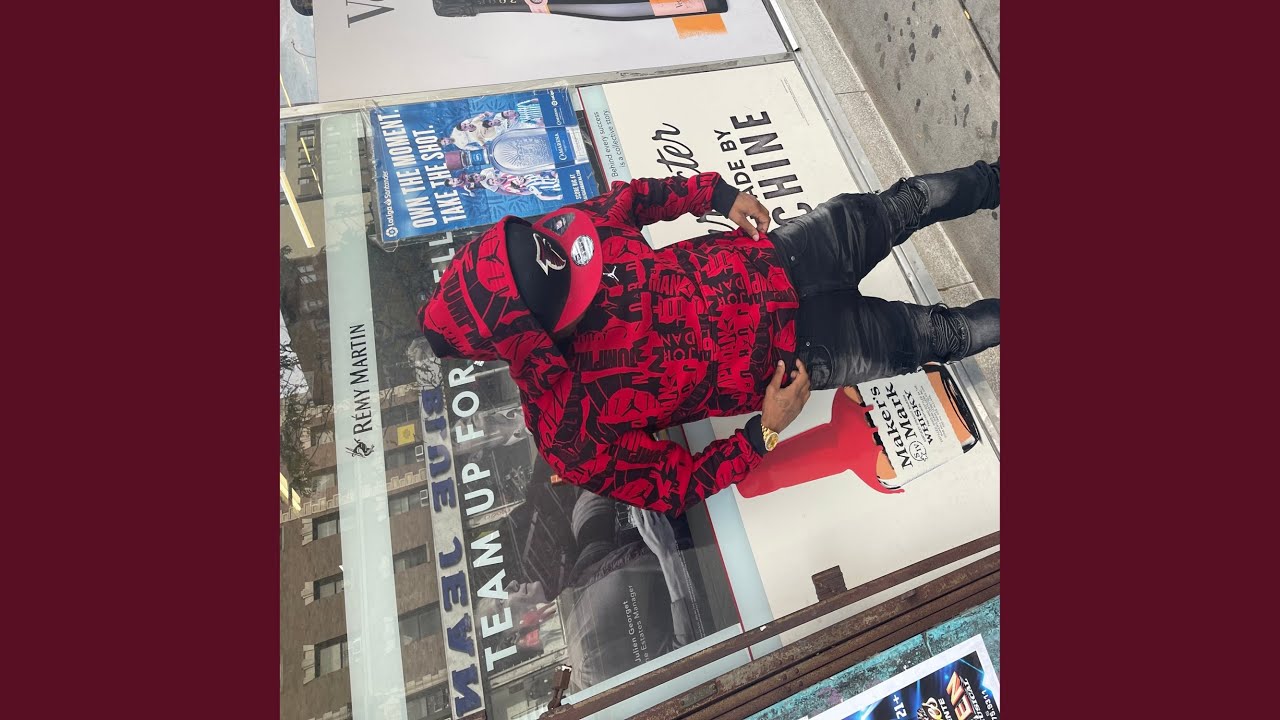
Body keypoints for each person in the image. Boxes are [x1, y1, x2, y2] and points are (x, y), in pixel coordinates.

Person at [419, 161, 1000, 514]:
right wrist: (763, 432)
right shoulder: (568, 432)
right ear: (529, 340)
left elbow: (632, 200)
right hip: (804, 355)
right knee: (950, 333)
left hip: (787, 251)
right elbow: (674, 486)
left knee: (910, 202)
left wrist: (716, 195)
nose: (575, 264)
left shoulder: (564, 240)